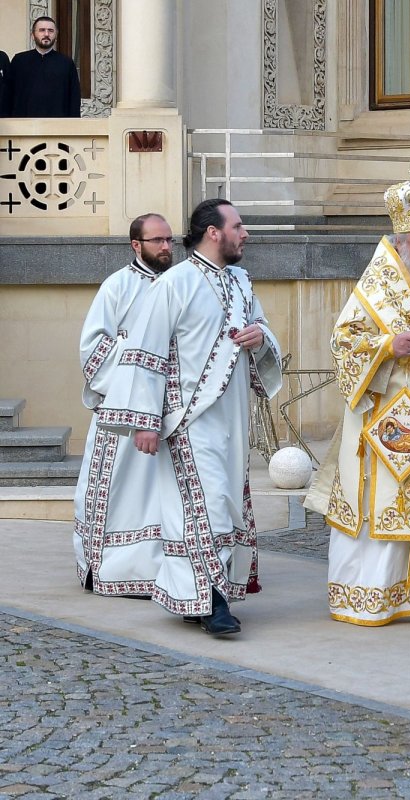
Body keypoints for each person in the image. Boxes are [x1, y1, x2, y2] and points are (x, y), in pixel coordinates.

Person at [95, 199, 282, 636]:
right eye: (238, 226)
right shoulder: (174, 283)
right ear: (213, 232)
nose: (245, 233)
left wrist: (260, 336)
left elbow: (262, 328)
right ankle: (212, 602)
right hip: (188, 421)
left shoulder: (241, 282)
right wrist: (145, 420)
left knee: (225, 506)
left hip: (234, 419)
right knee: (206, 507)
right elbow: (147, 353)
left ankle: (198, 595)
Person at [304, 177, 410, 626]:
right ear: (401, 241)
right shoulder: (377, 284)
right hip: (390, 420)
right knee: (382, 505)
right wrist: (385, 346)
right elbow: (343, 343)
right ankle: (368, 595)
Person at [73, 214, 176, 596]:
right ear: (136, 245)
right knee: (122, 492)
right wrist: (139, 353)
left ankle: (165, 570)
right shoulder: (116, 286)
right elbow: (92, 350)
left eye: (169, 240)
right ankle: (111, 569)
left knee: (162, 495)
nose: (166, 247)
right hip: (122, 414)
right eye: (157, 240)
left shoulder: (179, 285)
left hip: (169, 411)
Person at [0, 17, 82, 118]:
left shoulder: (66, 63)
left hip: (57, 124)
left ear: (56, 36)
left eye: (50, 31)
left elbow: (74, 98)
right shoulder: (19, 61)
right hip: (23, 123)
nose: (46, 34)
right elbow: (7, 95)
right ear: (33, 35)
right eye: (42, 30)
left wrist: (74, 124)